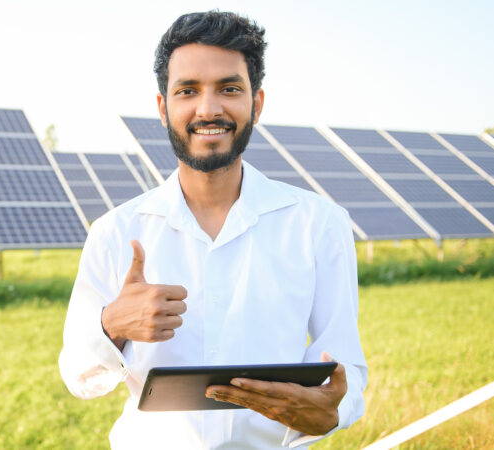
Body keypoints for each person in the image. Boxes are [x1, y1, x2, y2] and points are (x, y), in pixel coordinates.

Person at [58, 10, 367, 449]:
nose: (208, 108)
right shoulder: (114, 232)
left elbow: (346, 369)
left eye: (229, 89)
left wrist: (334, 410)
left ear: (256, 103)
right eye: (188, 91)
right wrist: (112, 325)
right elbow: (79, 377)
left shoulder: (318, 224)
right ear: (164, 107)